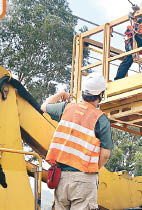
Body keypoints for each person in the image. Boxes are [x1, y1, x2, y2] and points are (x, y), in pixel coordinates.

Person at [42, 72, 113, 210]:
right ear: (100, 95)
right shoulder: (101, 119)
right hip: (84, 178)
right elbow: (105, 155)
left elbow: (44, 106)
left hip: (61, 179)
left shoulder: (66, 108)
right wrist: (92, 169)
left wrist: (61, 93)